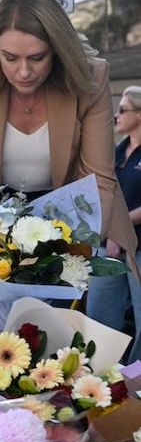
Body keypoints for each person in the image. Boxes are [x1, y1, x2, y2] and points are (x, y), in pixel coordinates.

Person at [0, 0, 136, 327]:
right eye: (10, 58)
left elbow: (97, 179)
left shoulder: (91, 74)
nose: (23, 72)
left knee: (59, 340)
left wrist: (61, 265)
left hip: (70, 217)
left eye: (37, 57)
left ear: (57, 51)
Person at [88, 86, 141, 363]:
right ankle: (95, 383)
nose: (116, 116)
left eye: (122, 110)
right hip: (107, 247)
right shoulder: (115, 153)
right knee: (98, 318)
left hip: (136, 247)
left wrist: (119, 229)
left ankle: (136, 388)